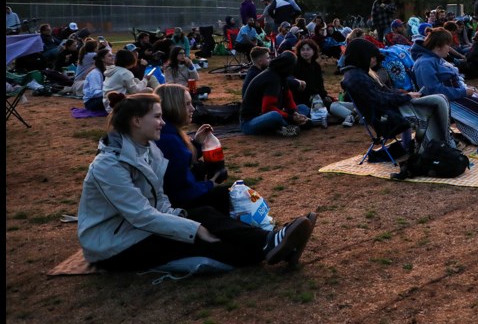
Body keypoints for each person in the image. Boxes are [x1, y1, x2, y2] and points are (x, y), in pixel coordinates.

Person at [78, 92, 316, 270]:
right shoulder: (108, 166)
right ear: (136, 121)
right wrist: (193, 228)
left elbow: (159, 201)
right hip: (115, 245)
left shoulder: (148, 149)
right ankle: (274, 246)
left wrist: (186, 220)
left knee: (202, 215)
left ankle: (272, 243)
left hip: (140, 229)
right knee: (210, 243)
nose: (162, 122)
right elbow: (140, 215)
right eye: (157, 117)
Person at [341, 38, 452, 146]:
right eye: (371, 56)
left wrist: (406, 94)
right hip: (387, 118)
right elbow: (380, 99)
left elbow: (385, 92)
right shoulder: (357, 78)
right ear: (361, 56)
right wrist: (407, 97)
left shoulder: (359, 73)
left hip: (390, 110)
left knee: (439, 99)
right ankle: (436, 144)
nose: (375, 59)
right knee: (437, 102)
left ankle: (436, 142)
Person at [155, 84, 230, 215]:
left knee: (200, 168)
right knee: (227, 193)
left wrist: (197, 143)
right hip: (174, 206)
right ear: (173, 107)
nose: (193, 108)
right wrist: (210, 184)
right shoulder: (168, 140)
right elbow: (181, 191)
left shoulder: (168, 132)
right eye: (187, 104)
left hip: (170, 199)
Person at [240, 52, 308, 137]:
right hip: (250, 121)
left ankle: (289, 125)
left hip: (268, 114)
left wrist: (295, 113)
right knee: (274, 116)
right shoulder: (272, 78)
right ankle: (289, 125)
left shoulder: (281, 76)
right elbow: (267, 108)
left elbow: (288, 98)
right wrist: (291, 118)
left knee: (303, 108)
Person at [82, 48, 113, 114]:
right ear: (102, 59)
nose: (112, 58)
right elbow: (94, 93)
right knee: (116, 99)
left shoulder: (106, 71)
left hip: (100, 98)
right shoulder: (95, 73)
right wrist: (110, 92)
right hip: (91, 102)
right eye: (109, 56)